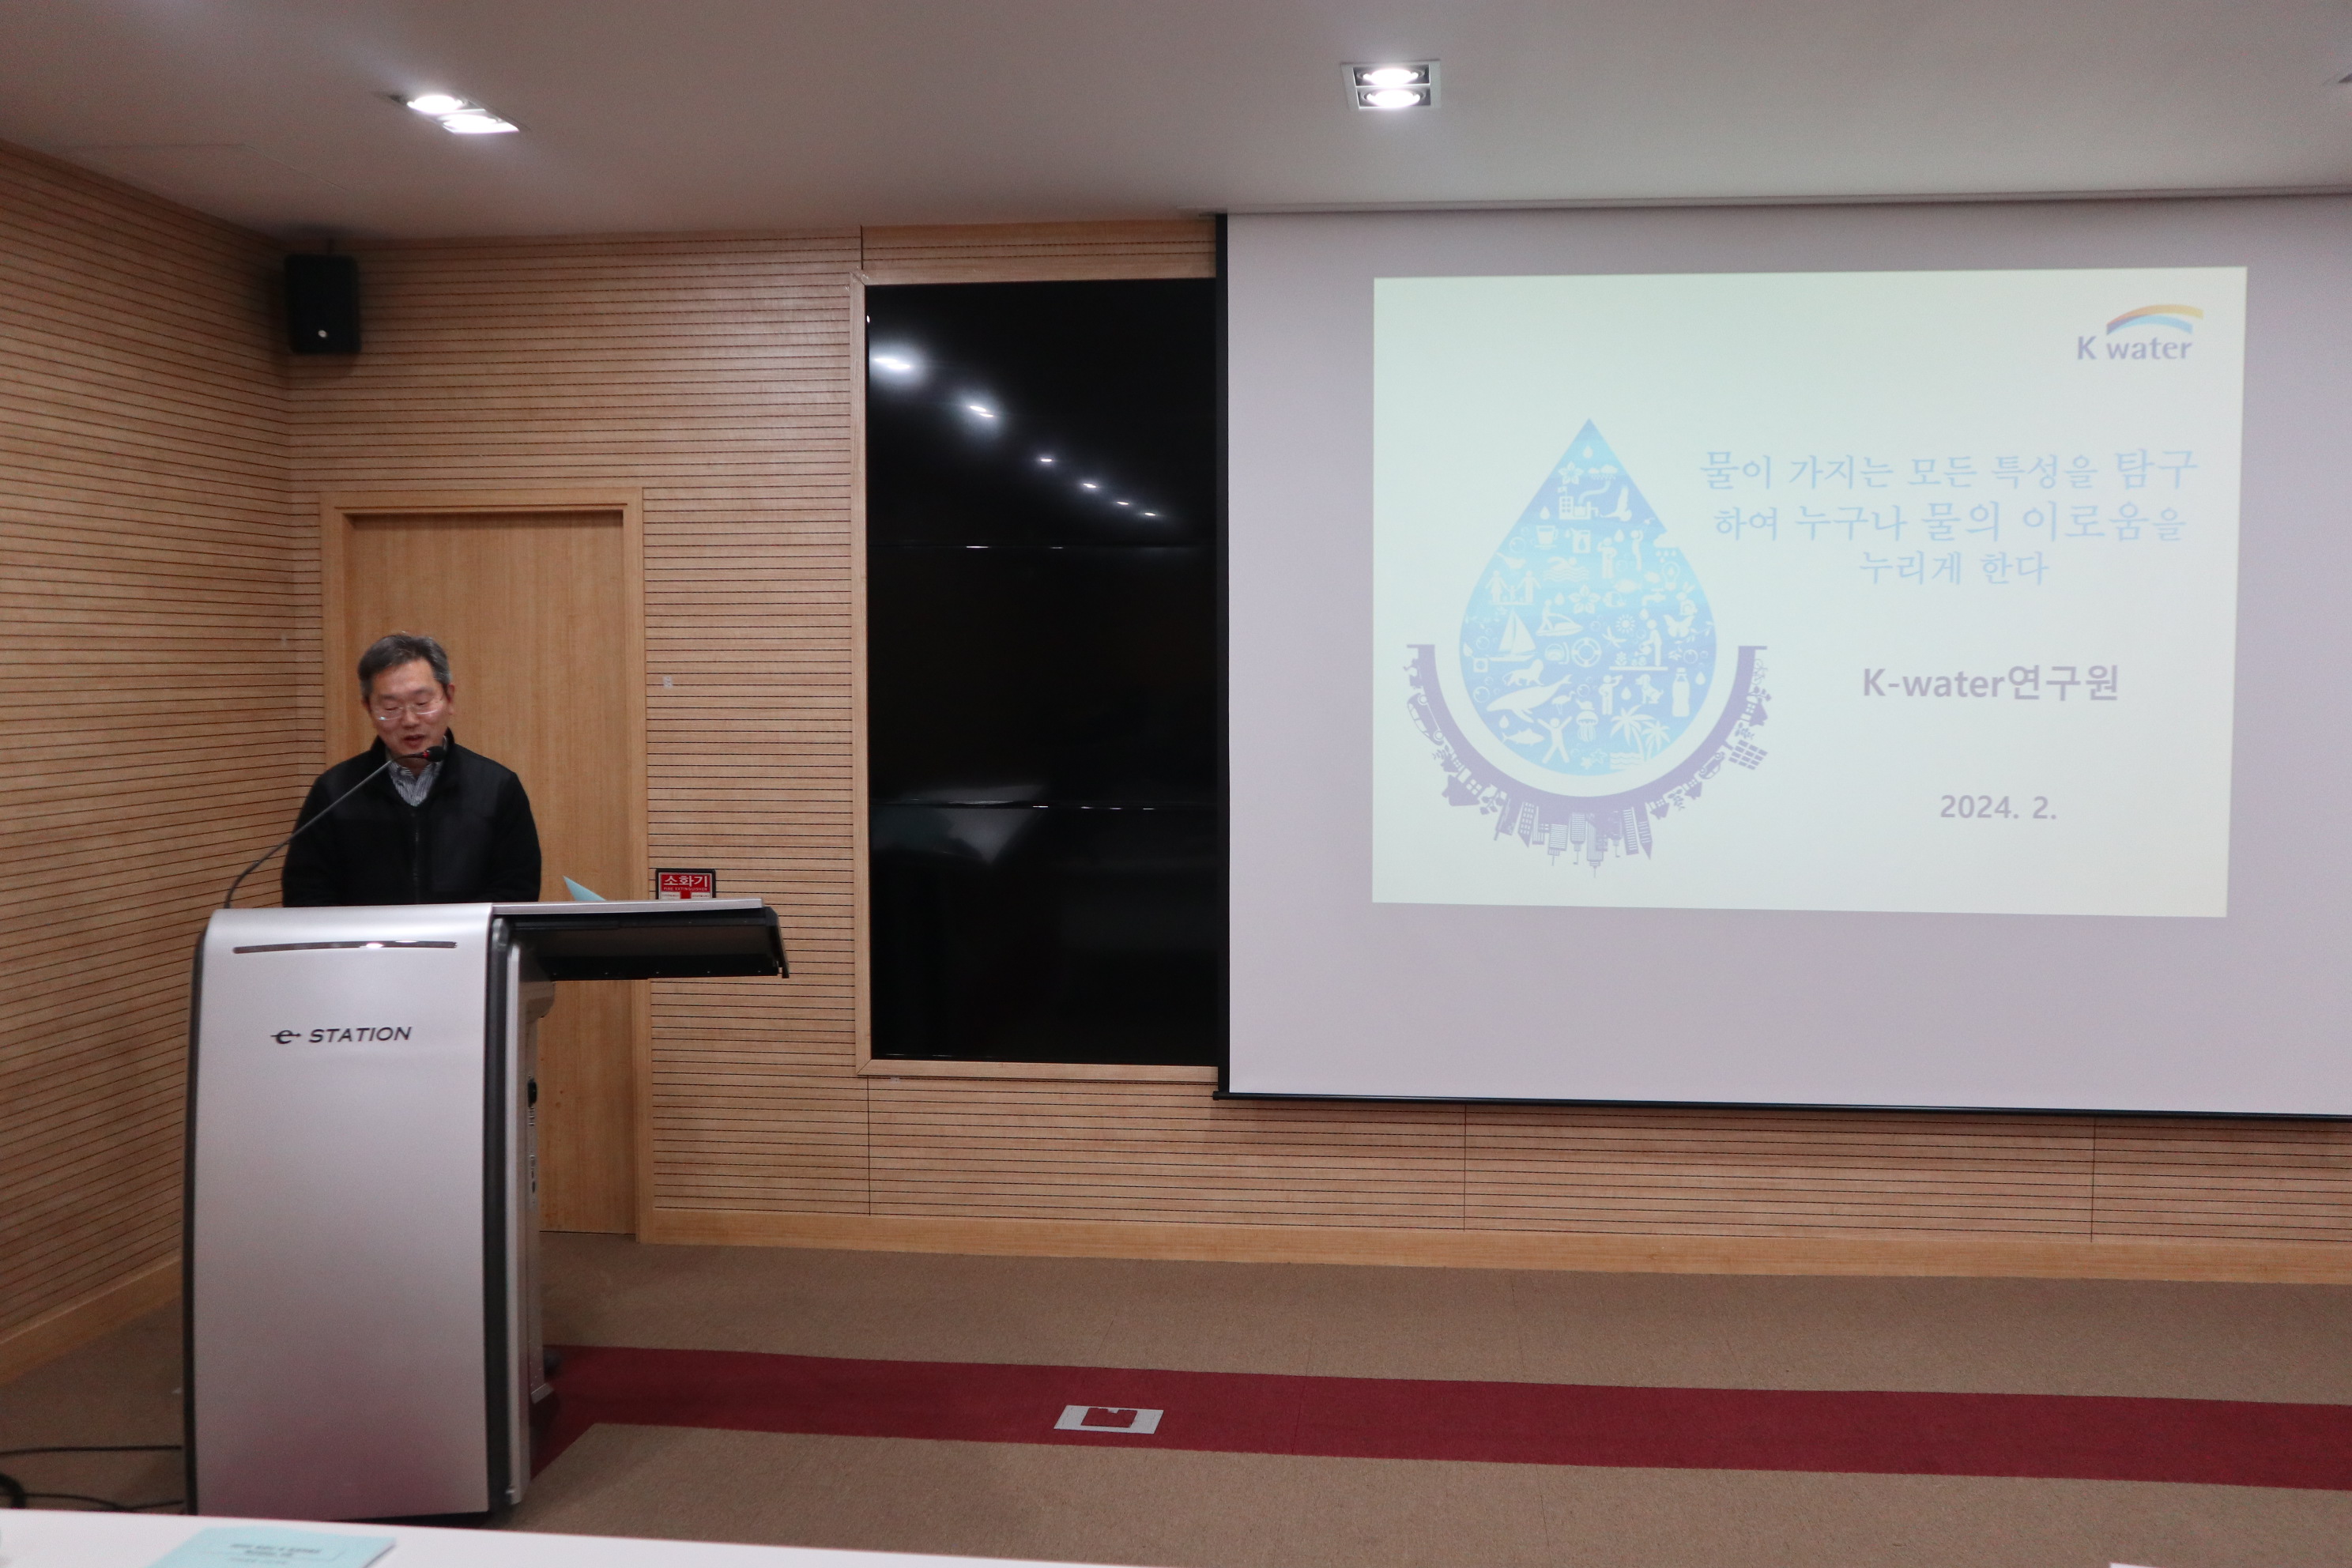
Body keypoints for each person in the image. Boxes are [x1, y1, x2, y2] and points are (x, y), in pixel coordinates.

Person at [282, 632, 542, 906]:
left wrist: (453, 929)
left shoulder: (497, 787)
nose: (409, 720)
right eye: (391, 707)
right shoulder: (335, 792)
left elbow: (516, 891)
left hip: (467, 935)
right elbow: (306, 895)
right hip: (366, 936)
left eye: (422, 704)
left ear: (449, 698)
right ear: (369, 708)